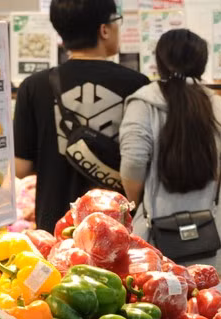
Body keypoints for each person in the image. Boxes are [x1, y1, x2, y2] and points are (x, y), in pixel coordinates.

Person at [119, 29, 221, 288]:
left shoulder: (143, 105)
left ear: (159, 62)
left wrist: (135, 201)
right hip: (215, 250)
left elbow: (133, 164)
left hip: (154, 252)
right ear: (202, 63)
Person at [14, 0, 149, 232]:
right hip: (120, 227)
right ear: (104, 30)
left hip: (57, 227)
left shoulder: (33, 86)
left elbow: (20, 168)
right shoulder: (138, 85)